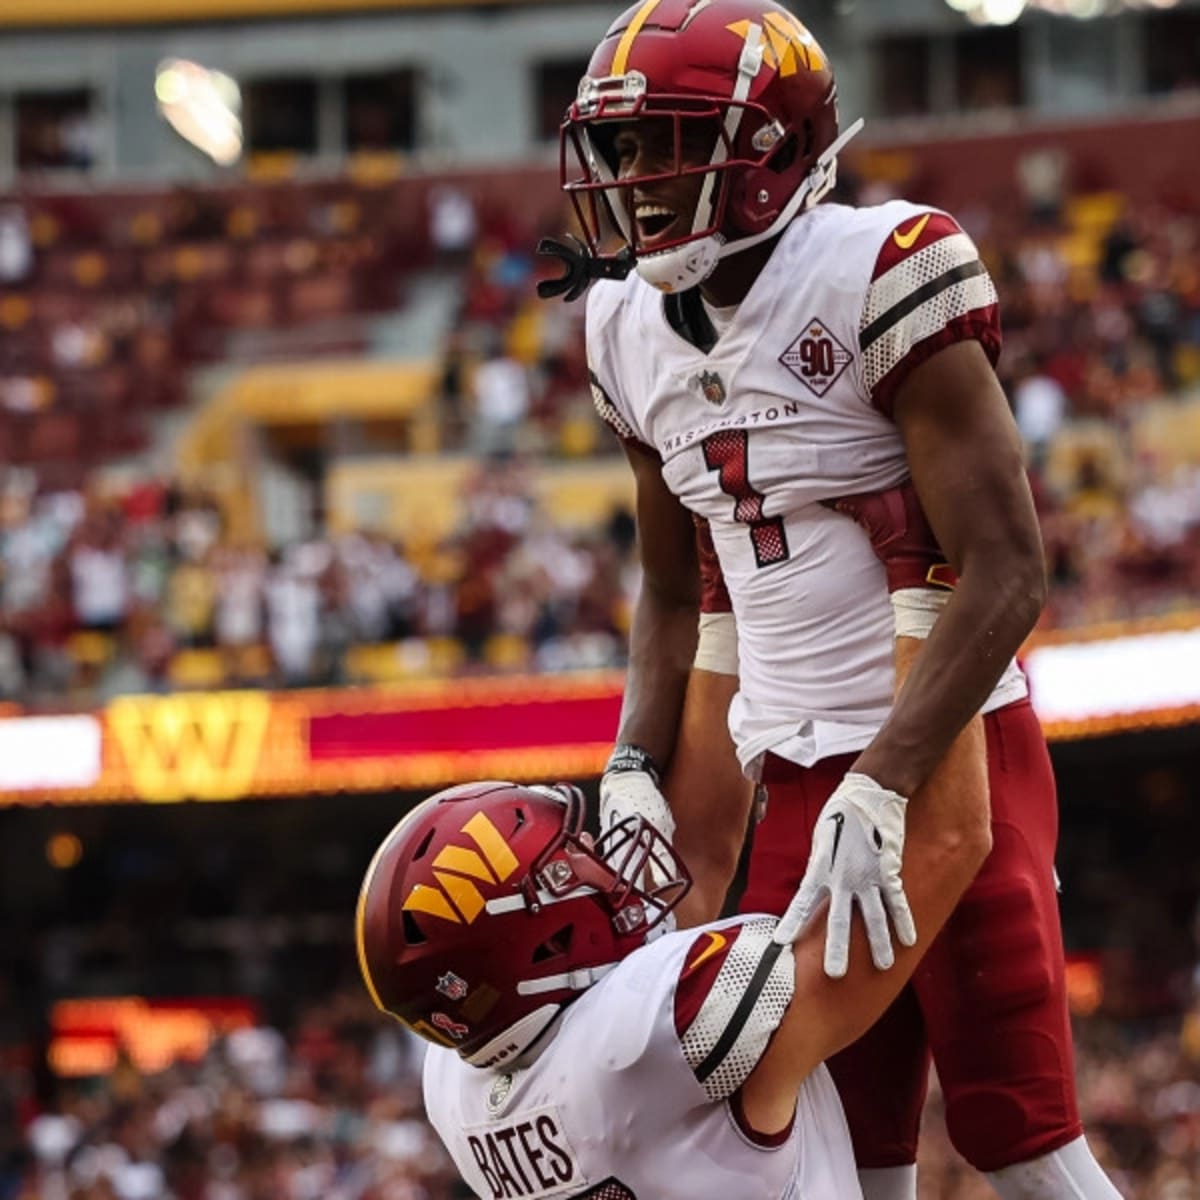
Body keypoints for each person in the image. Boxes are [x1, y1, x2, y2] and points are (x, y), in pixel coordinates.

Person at [536, 1, 1123, 1197]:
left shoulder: (877, 267)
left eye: (668, 143)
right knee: (833, 1159)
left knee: (1024, 1141)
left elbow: (1008, 569)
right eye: (625, 148)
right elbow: (669, 586)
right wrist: (636, 761)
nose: (637, 181)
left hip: (948, 760)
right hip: (797, 781)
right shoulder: (622, 330)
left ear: (771, 152)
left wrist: (889, 778)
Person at [355, 619, 991, 1199]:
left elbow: (705, 848)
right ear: (538, 947)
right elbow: (951, 840)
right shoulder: (645, 1039)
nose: (597, 862)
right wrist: (930, 605)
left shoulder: (460, 1084)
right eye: (564, 868)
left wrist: (733, 609)